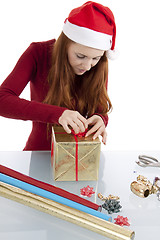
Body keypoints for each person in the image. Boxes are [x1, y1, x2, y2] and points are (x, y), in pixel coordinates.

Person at [0, 1, 116, 151]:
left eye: (95, 58)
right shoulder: (38, 53)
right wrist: (58, 114)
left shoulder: (98, 66)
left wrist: (101, 119)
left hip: (81, 159)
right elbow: (2, 100)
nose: (87, 66)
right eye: (80, 56)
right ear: (65, 44)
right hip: (38, 153)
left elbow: (100, 108)